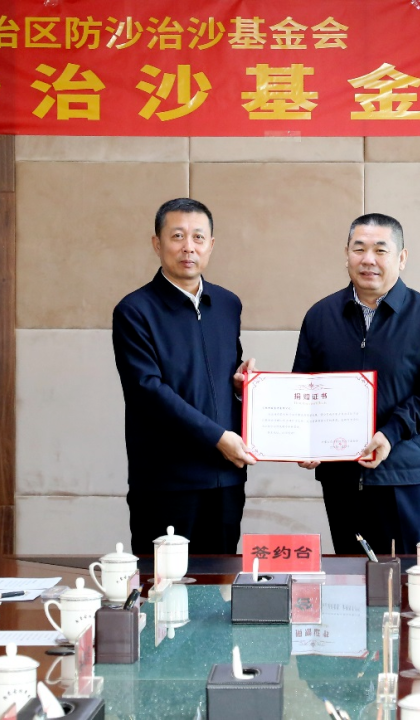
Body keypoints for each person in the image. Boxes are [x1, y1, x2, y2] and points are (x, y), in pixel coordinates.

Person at [292, 213, 420, 555]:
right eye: (359, 249)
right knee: (350, 577)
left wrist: (391, 432)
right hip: (341, 479)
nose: (368, 259)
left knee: (408, 578)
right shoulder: (320, 316)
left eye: (380, 250)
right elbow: (303, 389)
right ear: (346, 254)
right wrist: (304, 439)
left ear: (401, 258)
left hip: (405, 476)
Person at [113, 198, 256, 555]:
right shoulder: (135, 310)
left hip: (225, 479)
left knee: (220, 583)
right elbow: (148, 392)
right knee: (163, 583)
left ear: (211, 245)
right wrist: (218, 437)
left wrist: (239, 386)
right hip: (166, 483)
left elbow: (220, 374)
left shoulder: (228, 304)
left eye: (198, 237)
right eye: (177, 236)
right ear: (157, 243)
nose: (188, 247)